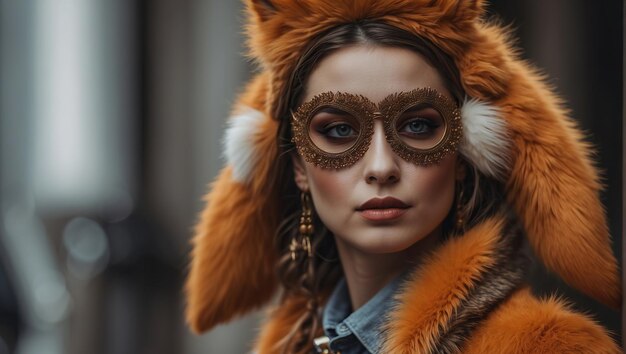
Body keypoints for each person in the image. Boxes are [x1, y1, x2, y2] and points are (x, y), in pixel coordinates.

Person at [185, 1, 621, 353]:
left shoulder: (548, 348)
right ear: (299, 166)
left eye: (418, 126)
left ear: (463, 153)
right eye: (338, 130)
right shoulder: (294, 345)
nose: (380, 168)